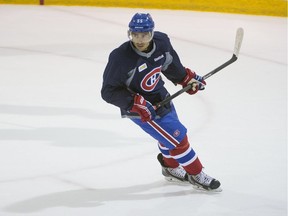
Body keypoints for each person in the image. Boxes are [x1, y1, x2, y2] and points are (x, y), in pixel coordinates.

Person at [101, 13, 221, 191]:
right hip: (142, 110)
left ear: (152, 33)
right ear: (130, 34)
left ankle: (170, 168)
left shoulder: (162, 42)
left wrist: (186, 79)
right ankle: (196, 174)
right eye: (135, 35)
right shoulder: (120, 57)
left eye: (144, 35)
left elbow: (170, 64)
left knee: (167, 138)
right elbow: (108, 91)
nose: (140, 40)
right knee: (179, 138)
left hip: (161, 96)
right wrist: (135, 102)